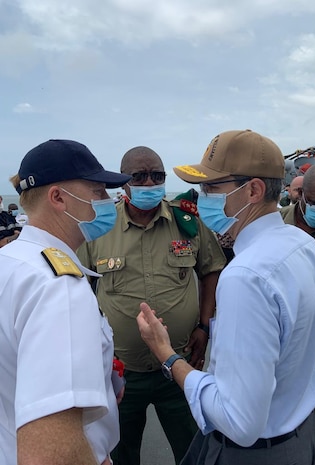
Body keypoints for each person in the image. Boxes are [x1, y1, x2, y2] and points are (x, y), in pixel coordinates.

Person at [136, 129, 315, 465]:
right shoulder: (304, 247)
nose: (202, 198)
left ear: (254, 190)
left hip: (256, 453)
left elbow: (238, 422)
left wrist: (167, 356)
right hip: (302, 435)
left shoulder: (246, 276)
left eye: (212, 188)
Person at [77, 145, 226, 465]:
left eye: (156, 176)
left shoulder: (187, 220)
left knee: (191, 447)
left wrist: (204, 326)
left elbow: (212, 269)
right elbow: (79, 286)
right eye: (139, 176)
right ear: (123, 183)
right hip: (119, 370)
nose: (149, 183)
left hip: (179, 364)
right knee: (120, 448)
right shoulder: (99, 227)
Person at [0, 139, 131, 465]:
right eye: (98, 191)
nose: (107, 200)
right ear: (58, 197)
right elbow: (52, 454)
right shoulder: (58, 286)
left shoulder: (11, 261)